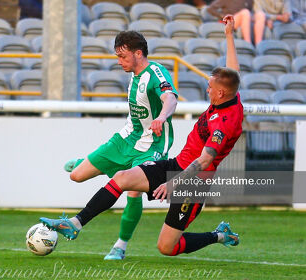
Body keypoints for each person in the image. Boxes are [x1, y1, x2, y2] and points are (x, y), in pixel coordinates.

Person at [40, 14, 243, 258]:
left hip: (193, 182)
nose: (207, 89)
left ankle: (220, 235)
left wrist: (173, 183)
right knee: (123, 178)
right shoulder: (230, 95)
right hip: (177, 164)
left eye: (210, 87)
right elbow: (232, 72)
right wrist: (229, 35)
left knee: (167, 248)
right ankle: (75, 223)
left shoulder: (225, 122)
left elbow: (205, 161)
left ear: (220, 92)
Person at [61, 31, 178, 260]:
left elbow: (170, 98)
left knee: (132, 189)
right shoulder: (134, 73)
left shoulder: (156, 73)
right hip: (125, 138)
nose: (119, 61)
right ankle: (87, 163)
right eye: (117, 56)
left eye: (123, 56)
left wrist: (162, 118)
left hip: (151, 144)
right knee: (76, 175)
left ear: (138, 53)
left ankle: (120, 247)